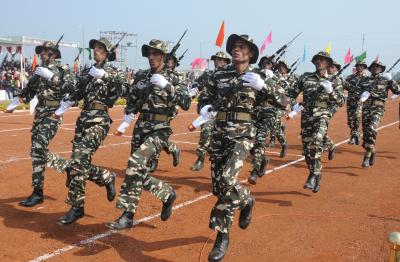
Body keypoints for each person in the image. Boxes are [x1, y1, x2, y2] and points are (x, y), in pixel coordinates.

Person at [200, 34, 288, 261]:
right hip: (219, 135)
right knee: (220, 189)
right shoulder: (219, 74)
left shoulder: (258, 76)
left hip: (242, 135)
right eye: (234, 47)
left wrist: (265, 86)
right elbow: (204, 98)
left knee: (228, 180)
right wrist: (205, 107)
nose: (236, 50)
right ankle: (246, 199)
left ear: (250, 54)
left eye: (241, 47)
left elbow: (284, 101)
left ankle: (222, 237)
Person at [107, 39, 191, 230]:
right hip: (141, 126)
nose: (151, 57)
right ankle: (166, 194)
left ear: (163, 56)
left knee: (134, 164)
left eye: (156, 54)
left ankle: (127, 215)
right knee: (136, 172)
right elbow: (133, 100)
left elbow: (186, 102)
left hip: (160, 128)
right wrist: (128, 114)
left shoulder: (175, 76)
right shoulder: (142, 76)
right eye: (149, 54)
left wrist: (167, 86)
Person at [48, 37, 126, 224]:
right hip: (83, 120)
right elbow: (76, 94)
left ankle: (77, 206)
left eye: (100, 48)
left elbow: (122, 90)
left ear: (107, 52)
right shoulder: (87, 71)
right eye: (94, 48)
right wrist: (63, 92)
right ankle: (99, 184)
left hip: (99, 120)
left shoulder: (114, 71)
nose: (96, 51)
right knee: (77, 165)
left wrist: (105, 76)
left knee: (77, 160)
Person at [7, 41, 74, 207]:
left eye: (45, 51)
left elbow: (72, 89)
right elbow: (28, 93)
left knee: (38, 147)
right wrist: (15, 102)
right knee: (36, 151)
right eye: (41, 51)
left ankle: (37, 193)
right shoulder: (38, 71)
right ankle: (67, 168)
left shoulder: (63, 70)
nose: (42, 54)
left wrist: (52, 77)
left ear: (53, 54)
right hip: (40, 114)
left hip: (54, 113)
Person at [288, 51, 344, 193]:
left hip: (322, 115)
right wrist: (293, 104)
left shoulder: (334, 81)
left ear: (328, 64)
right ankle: (316, 173)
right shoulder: (305, 77)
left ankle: (313, 175)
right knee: (307, 150)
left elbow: (341, 101)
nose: (320, 62)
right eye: (318, 60)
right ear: (314, 62)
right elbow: (290, 94)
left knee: (316, 141)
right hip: (307, 116)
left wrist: (331, 91)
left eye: (323, 60)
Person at [191, 51, 231, 171]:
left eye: (220, 60)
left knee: (225, 140)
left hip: (224, 113)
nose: (217, 62)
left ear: (225, 62)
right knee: (205, 134)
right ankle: (200, 159)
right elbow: (197, 84)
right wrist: (194, 88)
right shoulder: (208, 74)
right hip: (210, 111)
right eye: (216, 60)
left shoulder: (229, 75)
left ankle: (223, 164)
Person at [359, 60, 400, 168]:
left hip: (378, 108)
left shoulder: (385, 80)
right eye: (374, 66)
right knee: (366, 137)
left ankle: (367, 157)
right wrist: (363, 94)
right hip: (366, 109)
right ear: (371, 68)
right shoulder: (365, 80)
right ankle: (372, 149)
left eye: (378, 67)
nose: (376, 68)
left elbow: (397, 91)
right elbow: (358, 92)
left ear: (382, 69)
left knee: (372, 128)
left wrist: (391, 80)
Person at [343, 60, 368, 145]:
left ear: (364, 67)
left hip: (360, 101)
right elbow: (344, 86)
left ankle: (353, 136)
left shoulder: (367, 78)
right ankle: (356, 134)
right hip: (350, 101)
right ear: (356, 67)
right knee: (350, 120)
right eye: (358, 66)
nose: (360, 67)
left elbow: (369, 90)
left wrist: (363, 98)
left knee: (356, 117)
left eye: (362, 66)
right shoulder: (350, 77)